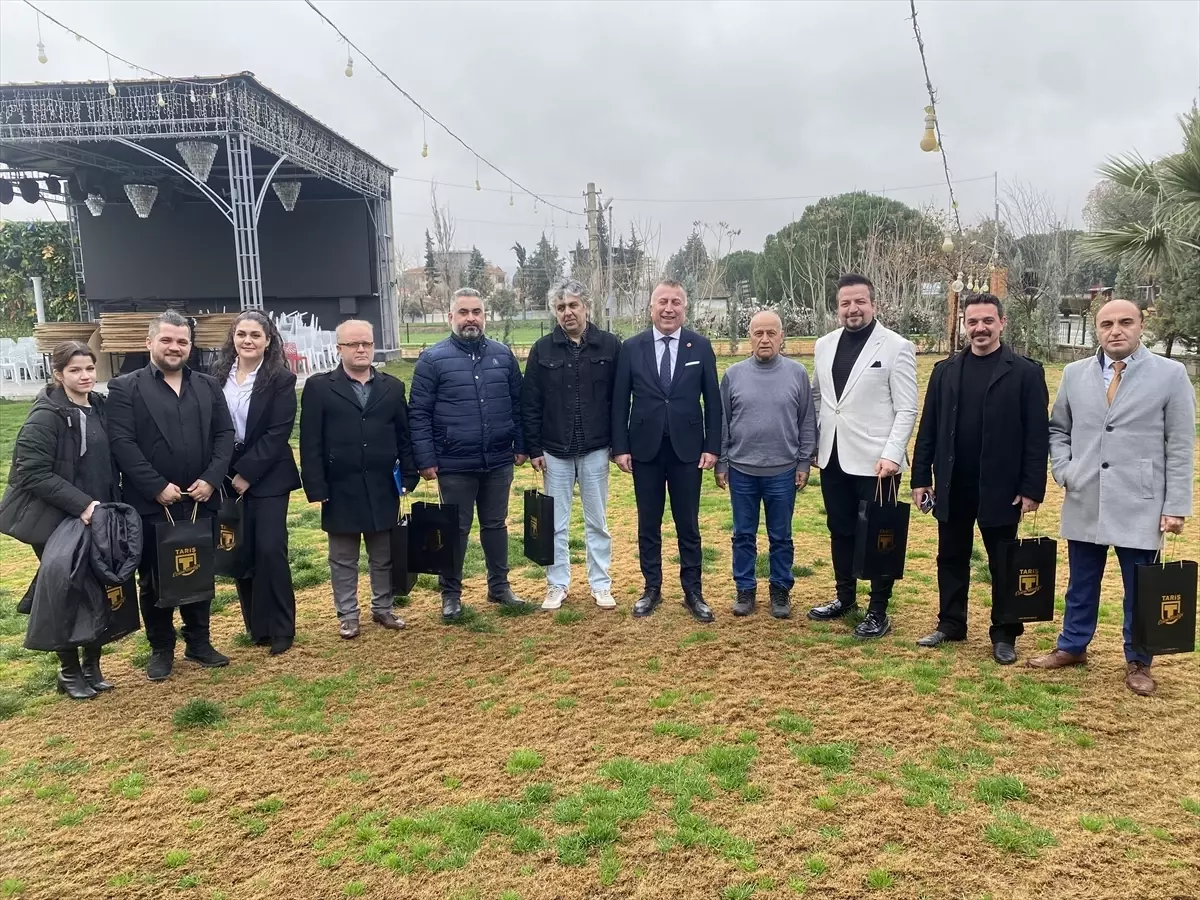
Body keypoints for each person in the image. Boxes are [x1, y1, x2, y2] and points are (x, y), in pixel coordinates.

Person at [1027, 299, 1196, 696]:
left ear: (1140, 326)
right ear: (1097, 329)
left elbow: (1180, 445)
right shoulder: (1074, 374)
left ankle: (1139, 659)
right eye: (1106, 324)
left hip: (1141, 500)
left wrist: (1175, 506)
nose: (1115, 330)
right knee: (1081, 582)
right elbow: (1058, 429)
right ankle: (1073, 645)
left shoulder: (1170, 375)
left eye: (1125, 322)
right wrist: (1065, 469)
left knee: (1141, 587)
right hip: (1086, 494)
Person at [910, 294, 1049, 664]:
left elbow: (1037, 436)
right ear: (964, 325)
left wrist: (1031, 487)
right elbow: (928, 429)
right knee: (950, 557)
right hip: (953, 484)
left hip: (1002, 488)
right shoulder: (945, 371)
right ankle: (951, 623)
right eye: (972, 322)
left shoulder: (1025, 373)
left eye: (988, 320)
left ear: (1002, 323)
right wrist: (921, 478)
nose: (980, 328)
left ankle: (1005, 633)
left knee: (1004, 562)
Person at [106, 311, 235, 681]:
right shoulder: (125, 388)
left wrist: (212, 478)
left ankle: (199, 642)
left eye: (182, 341)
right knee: (153, 578)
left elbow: (224, 435)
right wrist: (155, 485)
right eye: (166, 340)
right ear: (149, 342)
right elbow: (122, 442)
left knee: (199, 570)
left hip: (200, 499)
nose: (174, 347)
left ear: (190, 346)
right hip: (151, 503)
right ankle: (162, 648)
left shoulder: (208, 385)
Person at [0, 342, 126, 698]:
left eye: (89, 368)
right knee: (65, 593)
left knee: (98, 590)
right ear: (58, 374)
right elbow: (31, 473)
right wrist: (82, 504)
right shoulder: (46, 416)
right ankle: (69, 672)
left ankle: (92, 667)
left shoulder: (98, 406)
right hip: (58, 520)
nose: (85, 376)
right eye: (75, 370)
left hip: (97, 516)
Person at [409, 288, 529, 621]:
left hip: (498, 460)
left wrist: (521, 445)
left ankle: (499, 586)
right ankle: (451, 595)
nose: (471, 318)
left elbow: (518, 405)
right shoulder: (432, 360)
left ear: (485, 316)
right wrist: (425, 459)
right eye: (463, 312)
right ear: (451, 317)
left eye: (477, 312)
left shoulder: (503, 356)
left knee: (495, 525)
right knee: (454, 530)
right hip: (453, 462)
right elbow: (418, 413)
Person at [809, 273, 918, 639]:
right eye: (845, 303)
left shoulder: (896, 347)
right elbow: (819, 397)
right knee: (840, 530)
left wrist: (892, 454)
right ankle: (845, 597)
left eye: (859, 302)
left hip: (878, 463)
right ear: (837, 307)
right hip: (833, 457)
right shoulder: (824, 345)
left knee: (880, 537)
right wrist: (816, 442)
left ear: (873, 304)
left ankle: (878, 610)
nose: (852, 309)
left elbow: (907, 409)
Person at [612, 279, 722, 623]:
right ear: (651, 308)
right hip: (644, 450)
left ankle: (693, 591)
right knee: (648, 523)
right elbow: (620, 401)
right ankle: (651, 588)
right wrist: (620, 447)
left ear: (684, 308)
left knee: (688, 524)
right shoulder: (632, 347)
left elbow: (713, 401)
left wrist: (712, 446)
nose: (669, 308)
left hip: (687, 451)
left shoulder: (699, 346)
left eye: (676, 302)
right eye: (662, 302)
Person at [299, 319, 417, 639]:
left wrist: (409, 476)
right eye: (353, 344)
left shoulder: (393, 387)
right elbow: (310, 442)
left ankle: (383, 607)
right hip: (339, 487)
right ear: (339, 348)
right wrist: (316, 485)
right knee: (343, 558)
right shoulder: (319, 387)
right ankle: (348, 615)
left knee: (383, 554)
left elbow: (404, 436)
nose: (361, 349)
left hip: (382, 485)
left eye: (366, 343)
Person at [521, 279, 622, 611]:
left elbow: (620, 400)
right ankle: (557, 584)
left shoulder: (610, 346)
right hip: (554, 451)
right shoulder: (542, 349)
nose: (567, 312)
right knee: (554, 524)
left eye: (573, 305)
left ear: (586, 307)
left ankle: (601, 584)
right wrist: (534, 448)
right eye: (561, 307)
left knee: (597, 522)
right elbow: (530, 402)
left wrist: (618, 444)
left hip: (596, 449)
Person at [715, 310, 816, 619]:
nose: (765, 339)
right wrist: (722, 462)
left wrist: (804, 462)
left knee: (781, 537)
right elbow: (722, 422)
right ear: (750, 338)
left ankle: (780, 590)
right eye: (758, 333)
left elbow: (807, 421)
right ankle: (745, 589)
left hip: (783, 471)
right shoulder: (733, 375)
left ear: (781, 337)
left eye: (771, 333)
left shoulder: (797, 373)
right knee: (743, 535)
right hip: (742, 470)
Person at [211, 311, 301, 656]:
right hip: (225, 474)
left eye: (255, 335)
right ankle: (257, 627)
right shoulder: (216, 375)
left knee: (269, 549)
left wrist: (247, 473)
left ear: (268, 340)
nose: (247, 340)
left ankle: (281, 628)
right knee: (241, 550)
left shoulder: (280, 379)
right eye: (241, 334)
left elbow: (278, 432)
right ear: (233, 337)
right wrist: (222, 472)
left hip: (268, 474)